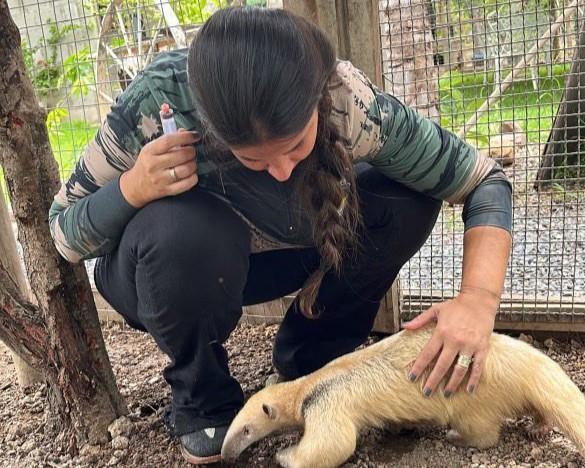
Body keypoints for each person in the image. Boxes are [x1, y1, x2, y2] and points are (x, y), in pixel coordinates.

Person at [48, 6, 512, 465]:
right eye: (253, 159)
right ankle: (202, 394)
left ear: (318, 100)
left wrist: (477, 300)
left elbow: (482, 180)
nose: (283, 170)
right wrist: (132, 189)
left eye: (295, 147)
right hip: (171, 268)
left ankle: (314, 359)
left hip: (288, 249)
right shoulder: (157, 101)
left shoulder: (347, 98)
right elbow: (64, 234)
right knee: (179, 231)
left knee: (408, 198)